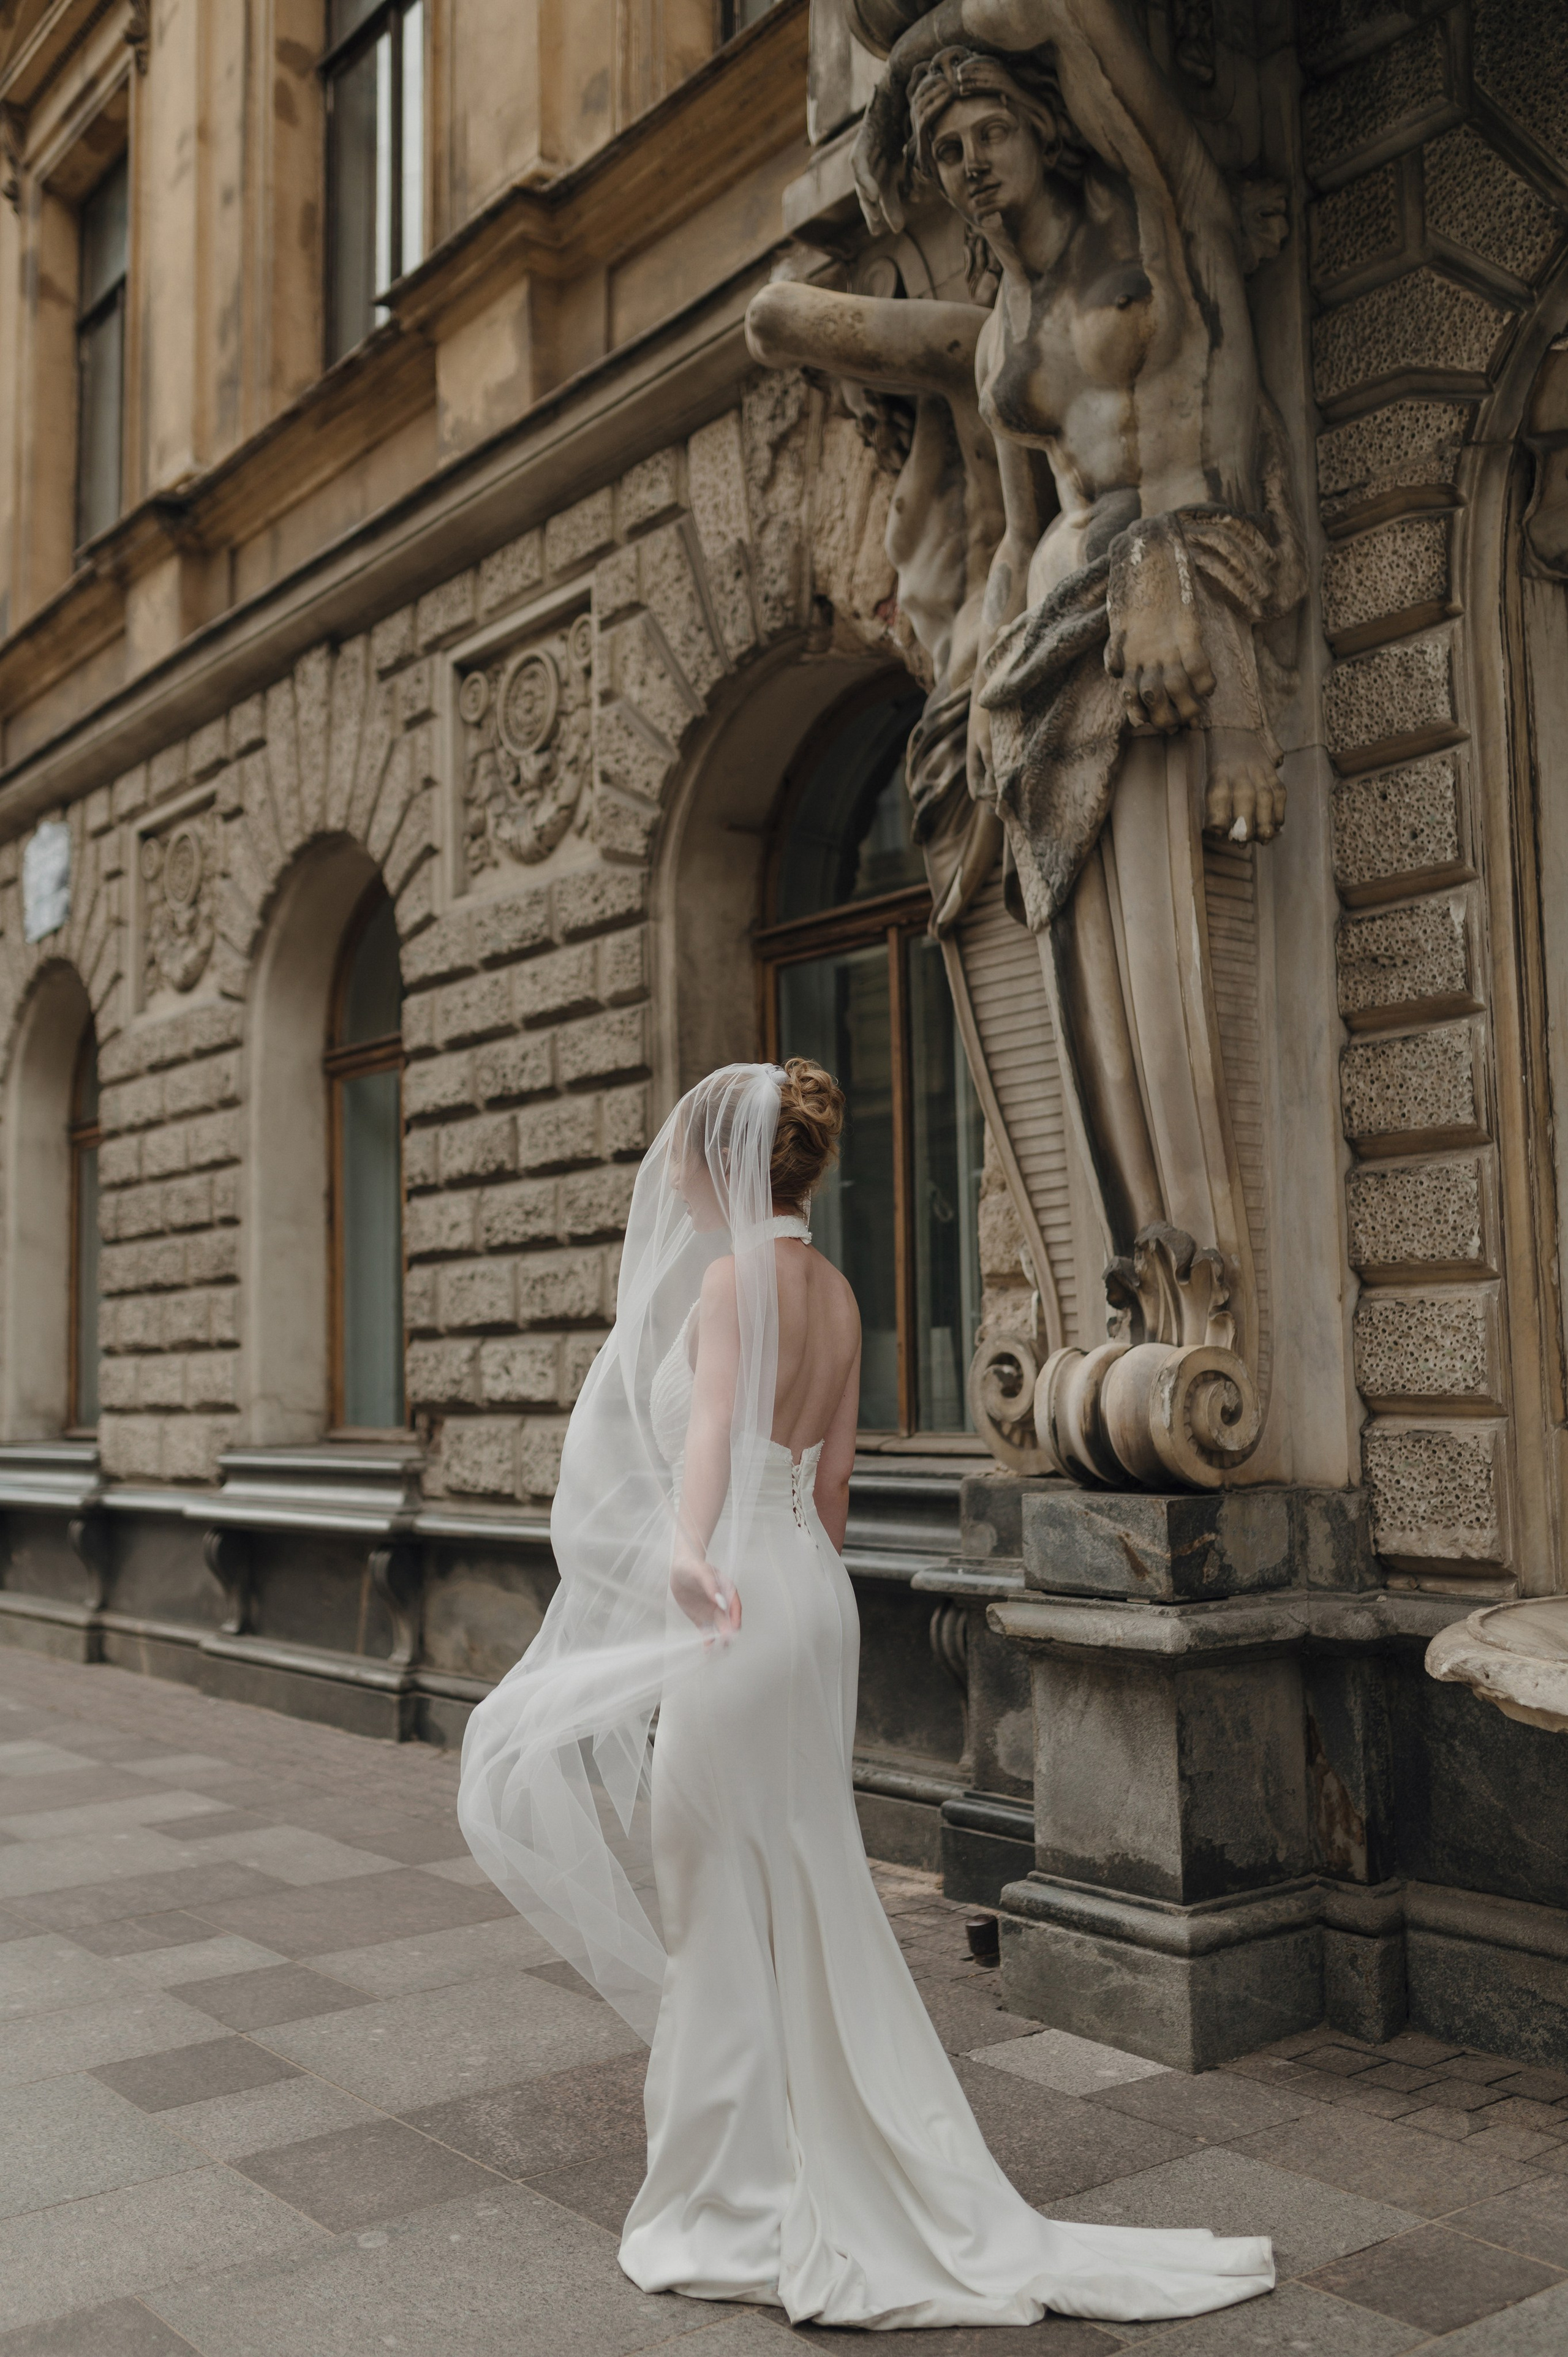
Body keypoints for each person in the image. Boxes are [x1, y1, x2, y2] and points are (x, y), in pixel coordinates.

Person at [458, 1058, 1275, 2328]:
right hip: (807, 1592)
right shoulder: (833, 1291)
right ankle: (791, 2154)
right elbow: (828, 1493)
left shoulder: (731, 1284)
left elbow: (715, 1434)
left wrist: (684, 1552)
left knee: (707, 1881)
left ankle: (729, 2193)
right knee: (797, 1866)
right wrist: (773, 1574)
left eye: (682, 1153)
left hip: (728, 1581)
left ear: (724, 1164)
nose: (669, 1176)